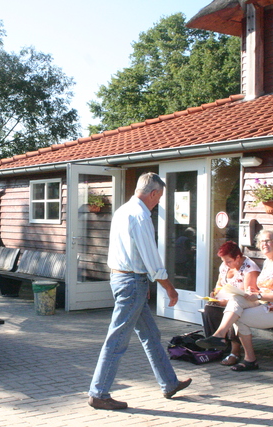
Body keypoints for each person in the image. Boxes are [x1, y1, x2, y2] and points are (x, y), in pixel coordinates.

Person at [88, 172, 192, 411]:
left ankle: (169, 383)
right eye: (159, 197)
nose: (158, 202)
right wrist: (169, 288)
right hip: (131, 282)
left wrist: (141, 281)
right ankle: (98, 392)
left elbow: (129, 253)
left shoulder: (122, 210)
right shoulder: (140, 216)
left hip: (124, 279)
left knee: (150, 334)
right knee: (117, 340)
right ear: (153, 193)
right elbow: (151, 258)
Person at [196, 230, 273, 372]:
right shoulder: (269, 262)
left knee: (239, 317)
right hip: (267, 304)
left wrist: (258, 296)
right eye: (262, 241)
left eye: (268, 240)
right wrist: (255, 293)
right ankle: (219, 336)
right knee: (236, 299)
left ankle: (249, 359)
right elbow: (266, 288)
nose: (264, 244)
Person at [202, 241, 260, 366]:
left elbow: (248, 295)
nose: (226, 264)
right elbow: (219, 284)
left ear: (238, 257)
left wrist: (226, 301)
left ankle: (235, 351)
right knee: (209, 308)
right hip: (227, 301)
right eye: (223, 261)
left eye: (229, 261)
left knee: (235, 311)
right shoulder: (224, 267)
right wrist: (215, 294)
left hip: (244, 303)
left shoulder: (250, 268)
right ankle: (217, 345)